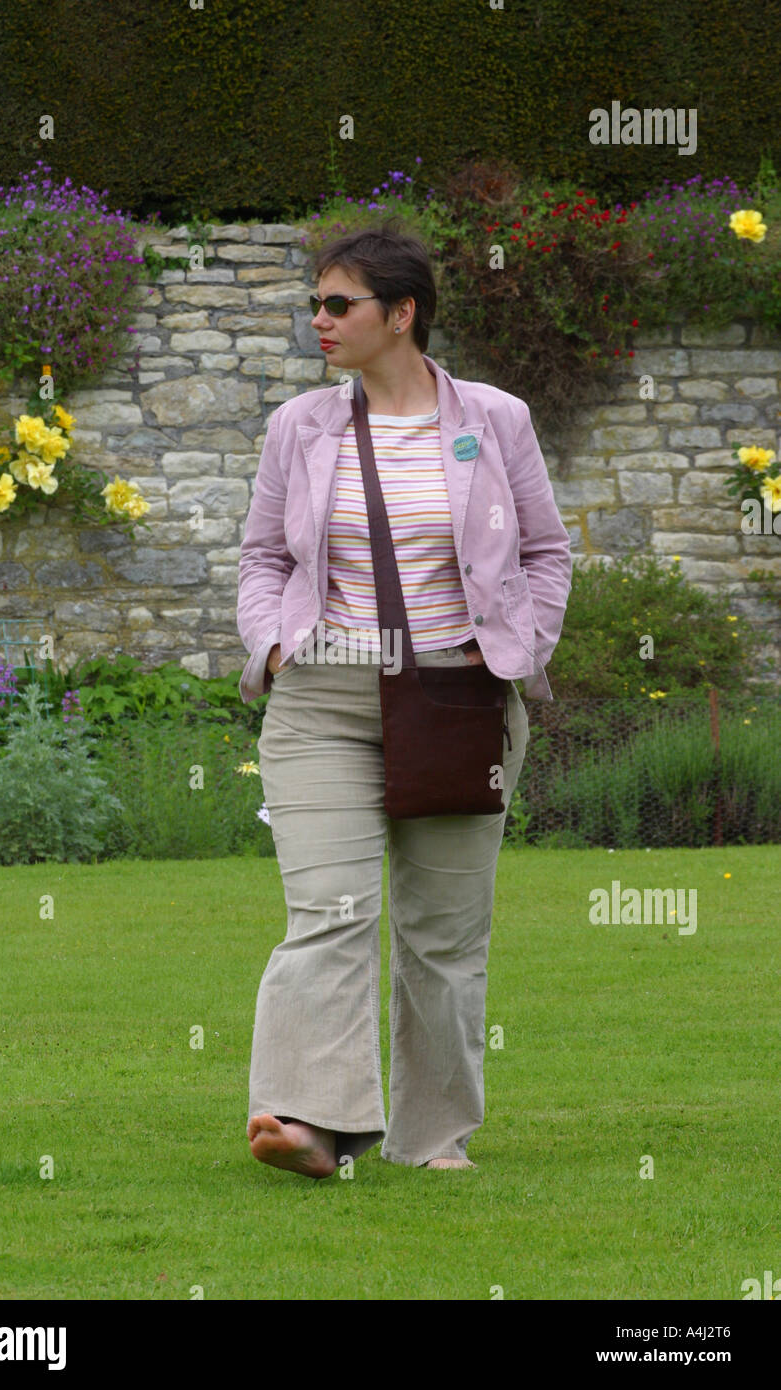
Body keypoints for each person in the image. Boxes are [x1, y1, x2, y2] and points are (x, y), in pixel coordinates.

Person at [236, 219, 572, 1177]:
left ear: (403, 312)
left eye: (339, 304)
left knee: (443, 938)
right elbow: (262, 559)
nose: (320, 321)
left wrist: (518, 645)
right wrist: (273, 645)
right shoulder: (298, 426)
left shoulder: (496, 420)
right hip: (325, 702)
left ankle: (432, 1141)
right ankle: (308, 1120)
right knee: (330, 908)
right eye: (315, 304)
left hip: (462, 702)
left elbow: (547, 553)